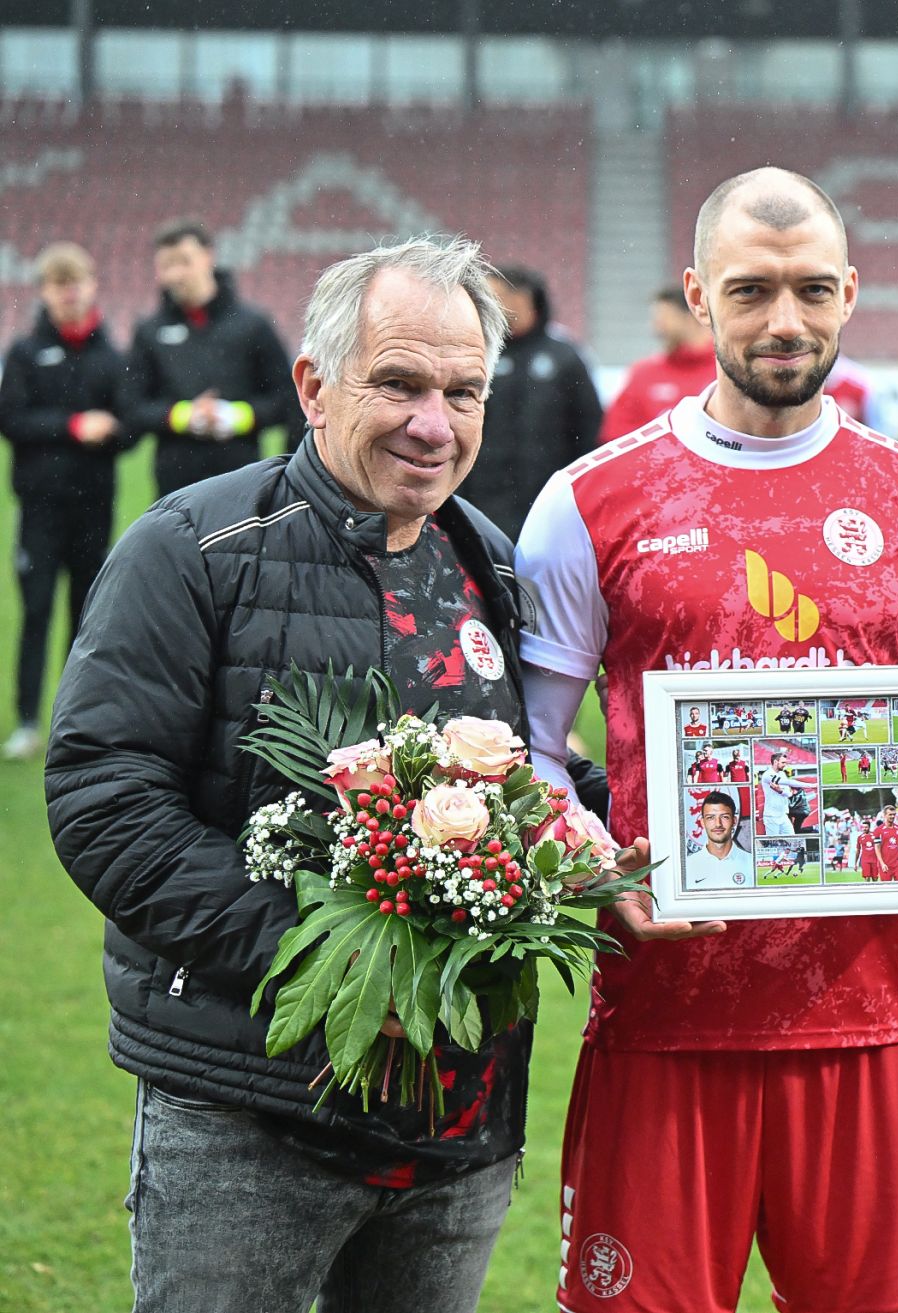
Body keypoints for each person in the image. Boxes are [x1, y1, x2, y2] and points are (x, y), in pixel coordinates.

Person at [512, 166, 898, 1313]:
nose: (782, 322)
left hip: (868, 1017)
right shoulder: (590, 501)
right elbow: (529, 748)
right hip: (664, 1018)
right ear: (700, 295)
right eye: (750, 292)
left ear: (850, 290)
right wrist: (583, 855)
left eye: (807, 291)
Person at [45, 237, 550, 1313]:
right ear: (315, 387)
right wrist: (332, 958)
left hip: (457, 1126)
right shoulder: (192, 546)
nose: (435, 423)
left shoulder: (490, 559)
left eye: (465, 392)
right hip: (247, 1118)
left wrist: (610, 833)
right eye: (402, 384)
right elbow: (103, 796)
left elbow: (535, 765)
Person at [0, 241, 127, 760]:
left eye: (76, 282)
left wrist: (111, 429)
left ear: (92, 285)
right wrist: (75, 426)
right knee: (35, 611)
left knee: (85, 616)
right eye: (59, 284)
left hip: (93, 505)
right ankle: (27, 720)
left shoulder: (111, 355)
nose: (69, 293)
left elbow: (129, 424)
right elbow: (11, 420)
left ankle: (70, 722)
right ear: (45, 291)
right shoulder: (26, 353)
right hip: (40, 506)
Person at [121, 219, 298, 497]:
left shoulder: (253, 324)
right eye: (167, 265)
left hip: (243, 480)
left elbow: (286, 398)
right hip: (174, 485)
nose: (176, 273)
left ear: (208, 257)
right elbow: (132, 407)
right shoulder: (149, 331)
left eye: (184, 261)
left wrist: (238, 416)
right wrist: (182, 416)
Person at [460, 265, 602, 537]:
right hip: (482, 504)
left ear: (522, 298)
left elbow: (588, 431)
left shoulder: (565, 357)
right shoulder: (475, 353)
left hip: (549, 505)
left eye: (492, 295)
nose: (482, 304)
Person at [598, 285, 716, 442]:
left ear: (691, 315)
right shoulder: (643, 373)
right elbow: (616, 435)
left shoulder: (725, 370)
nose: (656, 328)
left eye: (664, 318)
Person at [684, 791, 753, 889]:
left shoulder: (751, 863)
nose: (718, 824)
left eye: (724, 817)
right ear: (702, 822)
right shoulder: (688, 866)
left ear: (734, 821)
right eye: (710, 817)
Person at [871, 804, 898, 882]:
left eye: (894, 814)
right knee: (886, 889)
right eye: (890, 814)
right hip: (885, 864)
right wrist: (882, 863)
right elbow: (877, 848)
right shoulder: (878, 830)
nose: (892, 816)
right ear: (885, 815)